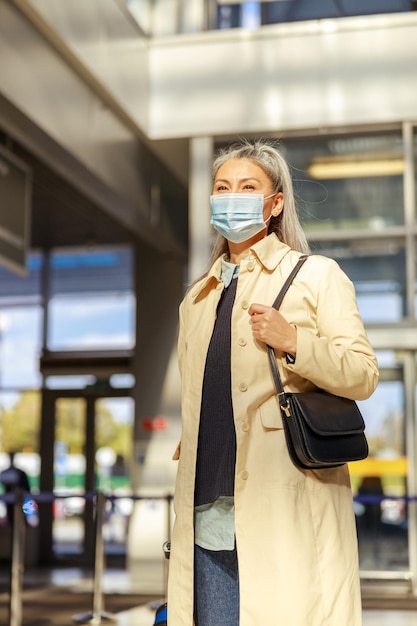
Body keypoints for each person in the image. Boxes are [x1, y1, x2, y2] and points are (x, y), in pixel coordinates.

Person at [167, 139, 379, 626]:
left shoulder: (317, 276)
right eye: (222, 187)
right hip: (206, 510)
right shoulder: (197, 298)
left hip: (283, 507)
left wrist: (294, 342)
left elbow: (364, 374)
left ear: (275, 202)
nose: (231, 196)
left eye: (247, 187)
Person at [0, 451, 31, 525]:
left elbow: (26, 488)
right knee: (12, 519)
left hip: (19, 501)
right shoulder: (5, 472)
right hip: (10, 503)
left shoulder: (20, 473)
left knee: (19, 519)